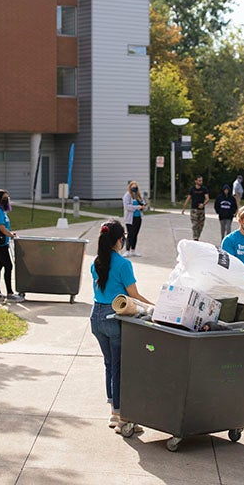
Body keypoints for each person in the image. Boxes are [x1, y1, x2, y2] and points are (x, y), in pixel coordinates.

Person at [89, 219, 153, 432]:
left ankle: (113, 414)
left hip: (96, 316)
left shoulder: (96, 262)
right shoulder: (123, 264)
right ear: (119, 240)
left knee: (109, 364)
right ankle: (121, 413)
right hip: (114, 317)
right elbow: (133, 294)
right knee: (119, 367)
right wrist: (155, 306)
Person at [0, 188, 23, 302]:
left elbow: (4, 227)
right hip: (0, 243)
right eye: (4, 198)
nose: (6, 200)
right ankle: (10, 293)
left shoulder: (1, 211)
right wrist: (11, 235)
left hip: (3, 242)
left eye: (7, 198)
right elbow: (1, 227)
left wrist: (10, 234)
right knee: (8, 266)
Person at [180, 176, 210, 241]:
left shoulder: (204, 189)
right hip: (194, 209)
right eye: (199, 180)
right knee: (195, 224)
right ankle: (195, 237)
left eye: (201, 180)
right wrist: (183, 208)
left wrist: (203, 204)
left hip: (201, 210)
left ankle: (197, 236)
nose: (200, 182)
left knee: (201, 225)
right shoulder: (192, 189)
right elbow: (188, 198)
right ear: (195, 181)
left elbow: (207, 199)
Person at [121, 181, 146, 257]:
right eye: (133, 187)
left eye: (136, 187)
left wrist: (143, 206)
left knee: (135, 234)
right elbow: (127, 207)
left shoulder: (138, 195)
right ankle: (127, 250)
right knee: (130, 234)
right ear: (130, 187)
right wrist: (138, 207)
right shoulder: (127, 195)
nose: (134, 188)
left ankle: (133, 250)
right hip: (130, 219)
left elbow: (143, 203)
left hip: (138, 218)